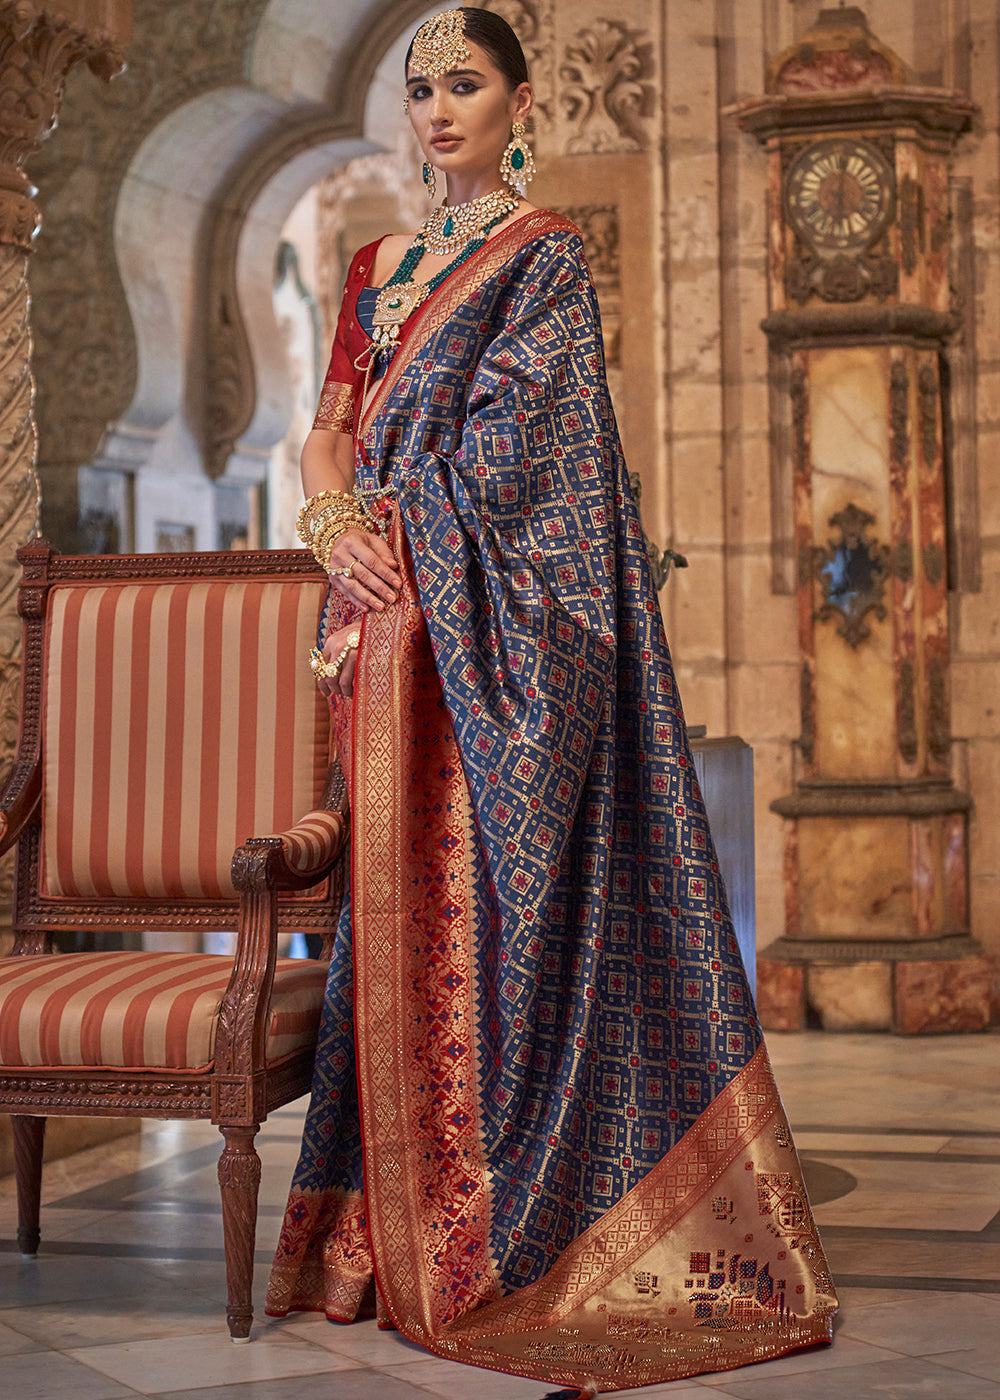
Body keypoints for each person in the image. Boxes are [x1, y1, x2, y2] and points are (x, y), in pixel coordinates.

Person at [266, 9, 837, 1393]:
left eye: (464, 84)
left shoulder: (545, 259)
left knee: (480, 927)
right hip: (381, 644)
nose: (437, 107)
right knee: (386, 930)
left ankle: (494, 1228)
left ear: (520, 103)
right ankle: (377, 1236)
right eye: (421, 87)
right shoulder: (377, 267)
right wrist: (333, 519)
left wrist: (403, 529)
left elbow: (535, 470)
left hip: (482, 648)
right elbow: (327, 426)